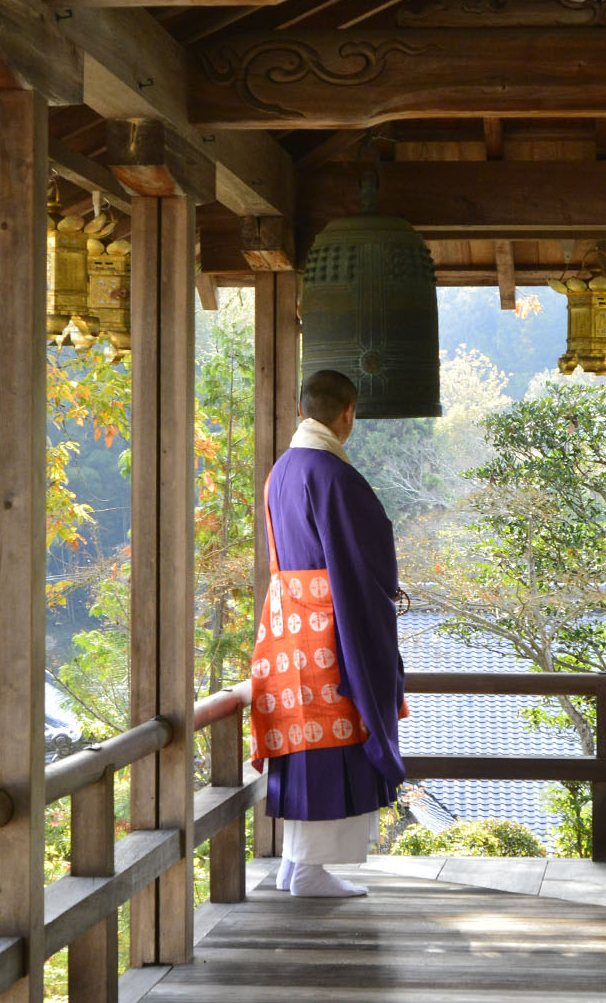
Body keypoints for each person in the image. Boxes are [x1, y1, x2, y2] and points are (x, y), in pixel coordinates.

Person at [247, 369, 406, 898]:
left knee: (302, 742)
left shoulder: (283, 470)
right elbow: (365, 560)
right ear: (348, 415)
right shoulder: (333, 474)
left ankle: (295, 863)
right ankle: (312, 871)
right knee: (334, 740)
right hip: (330, 630)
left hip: (289, 625)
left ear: (301, 410)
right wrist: (383, 603)